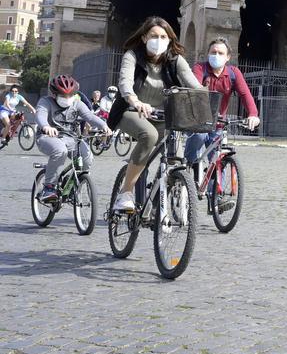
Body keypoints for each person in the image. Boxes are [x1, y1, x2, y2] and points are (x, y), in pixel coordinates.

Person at [106, 17, 204, 213]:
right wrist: (135, 101)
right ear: (143, 38)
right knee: (148, 136)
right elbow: (125, 83)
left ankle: (161, 198)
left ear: (169, 40)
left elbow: (195, 86)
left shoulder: (176, 60)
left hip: (163, 116)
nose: (158, 40)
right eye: (153, 36)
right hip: (131, 112)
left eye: (163, 37)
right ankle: (126, 193)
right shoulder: (132, 56)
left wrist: (207, 100)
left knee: (175, 156)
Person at [185, 36, 261, 183]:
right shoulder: (200, 68)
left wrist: (253, 114)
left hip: (218, 124)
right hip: (198, 122)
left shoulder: (233, 73)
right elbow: (195, 90)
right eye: (213, 52)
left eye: (220, 53)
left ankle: (217, 198)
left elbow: (245, 94)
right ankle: (190, 165)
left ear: (228, 57)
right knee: (198, 138)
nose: (216, 56)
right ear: (208, 54)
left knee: (218, 160)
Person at [34, 75, 111, 204]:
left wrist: (104, 125)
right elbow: (40, 115)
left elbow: (89, 117)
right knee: (60, 151)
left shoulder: (77, 104)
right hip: (48, 137)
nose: (67, 99)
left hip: (71, 138)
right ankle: (48, 188)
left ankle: (72, 185)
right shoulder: (45, 102)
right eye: (63, 96)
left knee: (86, 159)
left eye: (70, 95)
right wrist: (46, 126)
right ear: (54, 94)